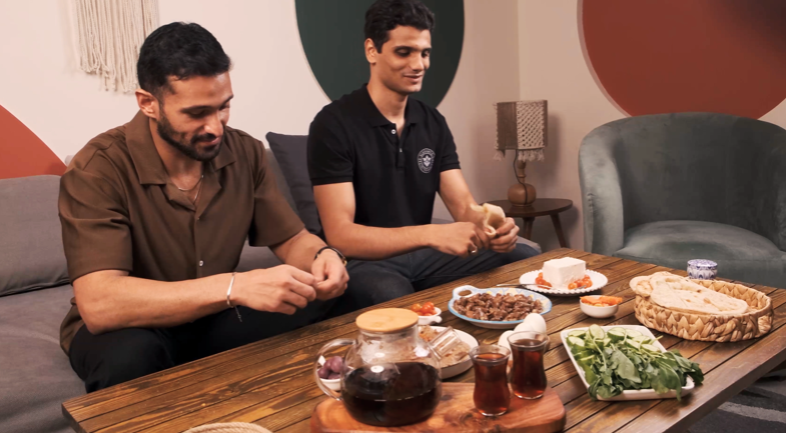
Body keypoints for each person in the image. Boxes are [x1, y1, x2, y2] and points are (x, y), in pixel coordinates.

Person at [60, 22, 349, 392]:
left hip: (214, 316)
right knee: (130, 357)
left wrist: (322, 256)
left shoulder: (244, 152)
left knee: (342, 296)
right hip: (131, 326)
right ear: (148, 103)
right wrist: (234, 287)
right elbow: (100, 304)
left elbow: (292, 239)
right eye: (196, 113)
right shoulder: (97, 168)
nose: (215, 127)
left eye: (223, 107)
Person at [307, 0, 539, 312]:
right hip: (360, 263)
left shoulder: (432, 122)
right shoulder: (333, 123)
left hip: (422, 259)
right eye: (405, 52)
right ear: (372, 51)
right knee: (394, 293)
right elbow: (341, 235)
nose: (419, 64)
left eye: (425, 52)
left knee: (524, 258)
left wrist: (494, 229)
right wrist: (432, 234)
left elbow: (463, 207)